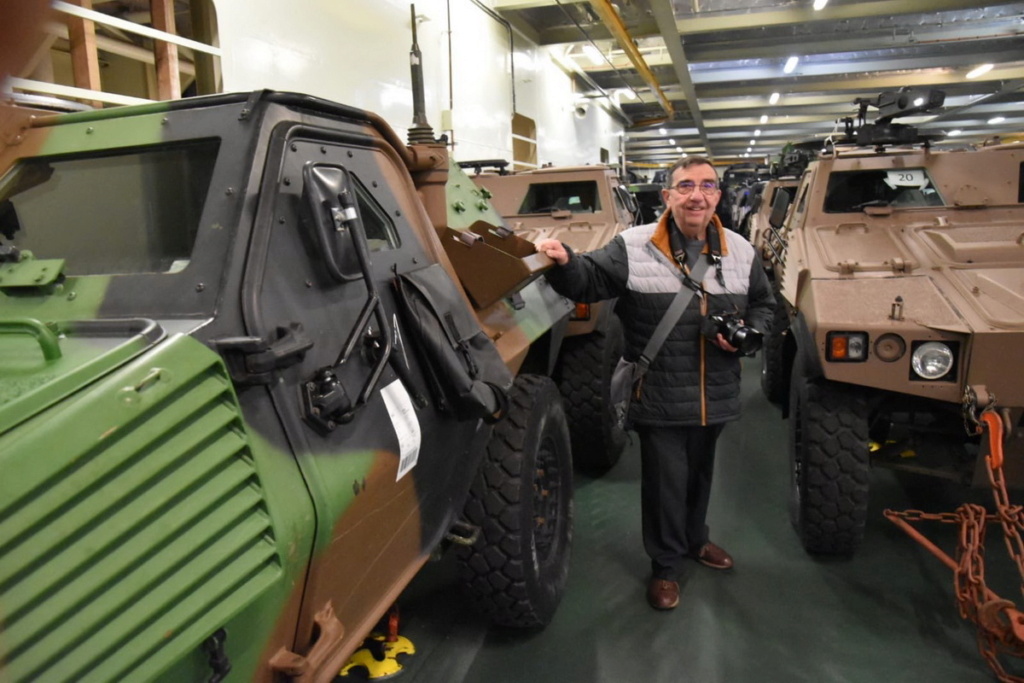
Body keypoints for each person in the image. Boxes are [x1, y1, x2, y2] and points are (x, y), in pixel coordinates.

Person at [535, 156, 774, 611]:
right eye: (685, 186)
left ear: (718, 197)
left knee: (702, 473)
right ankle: (666, 566)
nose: (696, 195)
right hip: (659, 389)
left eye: (706, 186)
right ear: (668, 197)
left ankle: (696, 540)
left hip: (715, 391)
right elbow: (589, 280)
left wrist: (749, 337)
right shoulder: (634, 246)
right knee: (666, 481)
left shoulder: (741, 250)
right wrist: (566, 261)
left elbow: (764, 305)